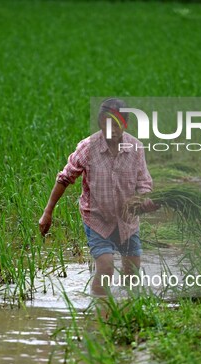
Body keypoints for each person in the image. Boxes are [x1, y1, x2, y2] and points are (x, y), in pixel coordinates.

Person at [39, 98, 158, 296]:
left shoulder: (135, 148)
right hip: (97, 220)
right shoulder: (88, 148)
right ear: (101, 123)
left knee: (132, 273)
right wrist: (47, 213)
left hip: (127, 221)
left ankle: (129, 312)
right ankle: (99, 314)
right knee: (105, 268)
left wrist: (144, 200)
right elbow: (64, 178)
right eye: (107, 122)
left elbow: (144, 183)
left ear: (125, 124)